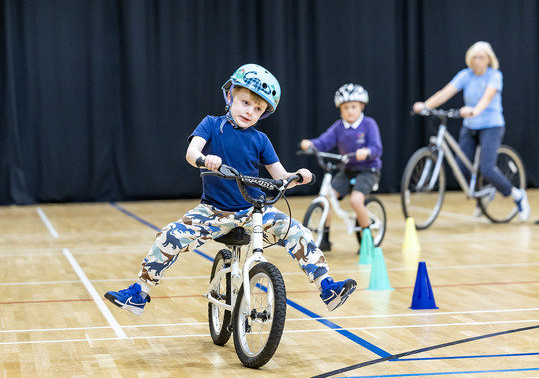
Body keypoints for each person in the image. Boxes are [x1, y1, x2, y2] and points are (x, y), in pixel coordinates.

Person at [104, 63, 357, 315]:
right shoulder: (212, 125)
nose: (250, 111)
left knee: (298, 231)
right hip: (213, 211)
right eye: (245, 102)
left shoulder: (261, 140)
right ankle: (139, 293)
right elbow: (192, 153)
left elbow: (280, 175)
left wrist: (296, 176)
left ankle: (327, 288)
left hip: (253, 210)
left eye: (258, 109)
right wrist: (205, 159)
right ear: (230, 96)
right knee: (169, 236)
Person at [412, 41, 530, 221]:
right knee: (460, 167)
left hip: (491, 124)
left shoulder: (494, 76)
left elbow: (487, 97)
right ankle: (483, 194)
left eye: (481, 57)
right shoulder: (465, 76)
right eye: (474, 57)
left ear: (489, 59)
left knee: (487, 168)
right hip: (470, 126)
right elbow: (445, 93)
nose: (477, 61)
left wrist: (475, 111)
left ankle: (516, 195)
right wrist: (425, 105)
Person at [300, 83, 382, 251]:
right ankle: (325, 238)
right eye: (345, 107)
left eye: (353, 106)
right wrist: (310, 144)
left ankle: (367, 239)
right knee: (327, 199)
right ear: (340, 109)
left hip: (368, 169)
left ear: (361, 106)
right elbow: (324, 142)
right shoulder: (339, 127)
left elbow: (377, 148)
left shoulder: (368, 124)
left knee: (356, 200)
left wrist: (366, 152)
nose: (349, 111)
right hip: (348, 168)